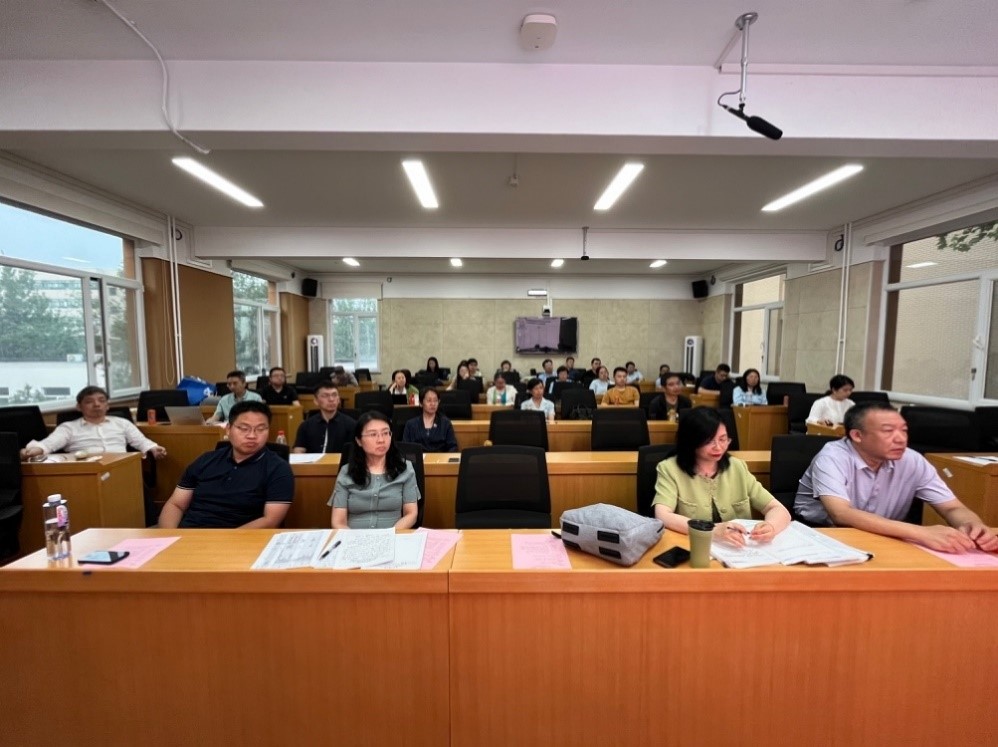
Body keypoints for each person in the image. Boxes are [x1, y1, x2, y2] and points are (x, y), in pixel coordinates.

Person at [795, 401, 998, 553]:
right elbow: (841, 514)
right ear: (857, 436)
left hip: (887, 534)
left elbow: (951, 507)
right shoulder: (832, 457)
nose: (901, 439)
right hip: (825, 534)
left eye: (904, 431)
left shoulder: (912, 460)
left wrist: (973, 525)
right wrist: (921, 533)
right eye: (888, 431)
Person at [652, 407, 791, 546]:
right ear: (691, 442)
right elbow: (663, 515)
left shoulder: (737, 467)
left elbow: (777, 509)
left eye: (723, 439)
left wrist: (771, 526)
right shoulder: (669, 469)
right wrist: (712, 530)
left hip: (737, 549)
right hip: (694, 546)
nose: (718, 447)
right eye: (709, 441)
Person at [158, 401, 294, 528]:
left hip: (240, 539)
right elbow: (176, 504)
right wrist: (169, 536)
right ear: (228, 429)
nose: (252, 435)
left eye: (260, 429)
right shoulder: (206, 460)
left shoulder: (278, 468)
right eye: (244, 428)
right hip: (189, 535)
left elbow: (270, 520)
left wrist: (224, 541)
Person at [20, 385, 167, 461]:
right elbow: (48, 444)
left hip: (122, 468)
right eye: (89, 401)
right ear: (79, 407)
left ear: (107, 405)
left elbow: (141, 441)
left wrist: (154, 448)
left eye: (101, 401)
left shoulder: (122, 423)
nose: (97, 404)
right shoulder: (68, 428)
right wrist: (34, 451)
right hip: (86, 471)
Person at [330, 411, 420, 529]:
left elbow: (411, 514)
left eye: (385, 433)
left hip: (393, 536)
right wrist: (355, 538)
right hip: (354, 537)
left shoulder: (405, 469)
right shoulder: (346, 472)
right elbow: (338, 522)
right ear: (359, 441)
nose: (381, 440)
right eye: (373, 434)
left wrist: (388, 535)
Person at [293, 381, 356, 453]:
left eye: (334, 395)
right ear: (316, 401)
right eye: (325, 396)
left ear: (338, 400)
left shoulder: (351, 425)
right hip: (313, 460)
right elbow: (298, 450)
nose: (331, 399)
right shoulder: (306, 426)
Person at [401, 387, 458, 452]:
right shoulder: (411, 424)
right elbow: (405, 448)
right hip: (418, 457)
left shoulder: (445, 423)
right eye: (429, 400)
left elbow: (453, 446)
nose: (433, 404)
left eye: (435, 400)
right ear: (421, 403)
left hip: (439, 457)